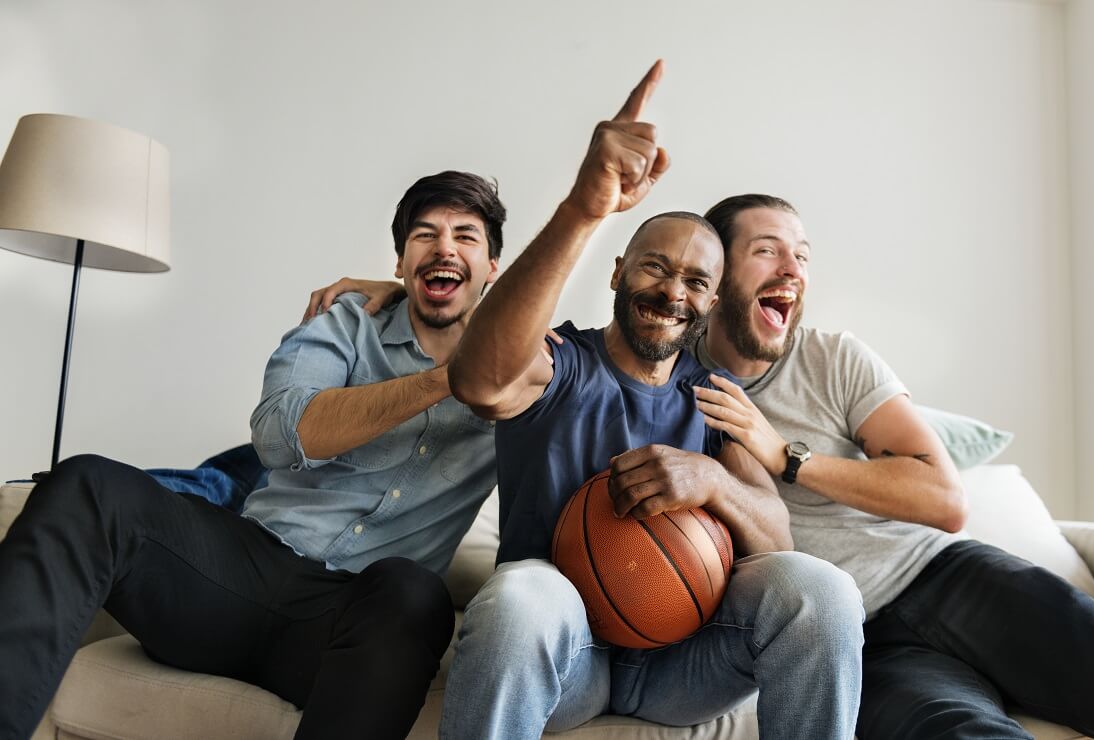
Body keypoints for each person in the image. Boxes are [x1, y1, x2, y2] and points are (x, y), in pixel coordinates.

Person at [0, 170, 511, 740]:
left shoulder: (519, 376)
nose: (444, 247)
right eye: (425, 235)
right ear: (399, 262)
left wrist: (483, 357)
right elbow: (278, 434)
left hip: (349, 628)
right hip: (237, 575)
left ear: (493, 268)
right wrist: (442, 380)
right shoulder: (346, 323)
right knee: (86, 485)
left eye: (466, 236)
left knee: (416, 594)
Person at [438, 61, 865, 740]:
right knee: (523, 596)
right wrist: (587, 207)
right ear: (617, 271)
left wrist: (712, 481)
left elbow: (777, 539)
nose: (673, 292)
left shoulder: (715, 398)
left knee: (823, 591)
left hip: (683, 664)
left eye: (696, 280)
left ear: (714, 300)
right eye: (655, 267)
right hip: (569, 655)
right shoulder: (562, 363)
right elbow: (480, 381)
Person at [692, 193, 1094, 739]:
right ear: (717, 274)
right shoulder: (668, 386)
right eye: (768, 251)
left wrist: (786, 456)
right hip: (862, 639)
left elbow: (945, 499)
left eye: (802, 255)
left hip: (946, 576)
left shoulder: (833, 358)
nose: (792, 269)